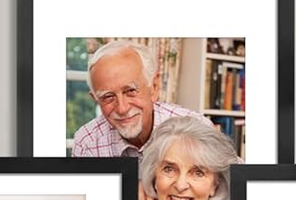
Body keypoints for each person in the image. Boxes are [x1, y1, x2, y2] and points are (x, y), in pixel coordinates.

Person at [71, 40, 205, 158]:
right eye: (108, 97)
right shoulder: (87, 143)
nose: (122, 109)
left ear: (154, 87)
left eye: (130, 91)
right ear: (95, 99)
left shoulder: (197, 129)